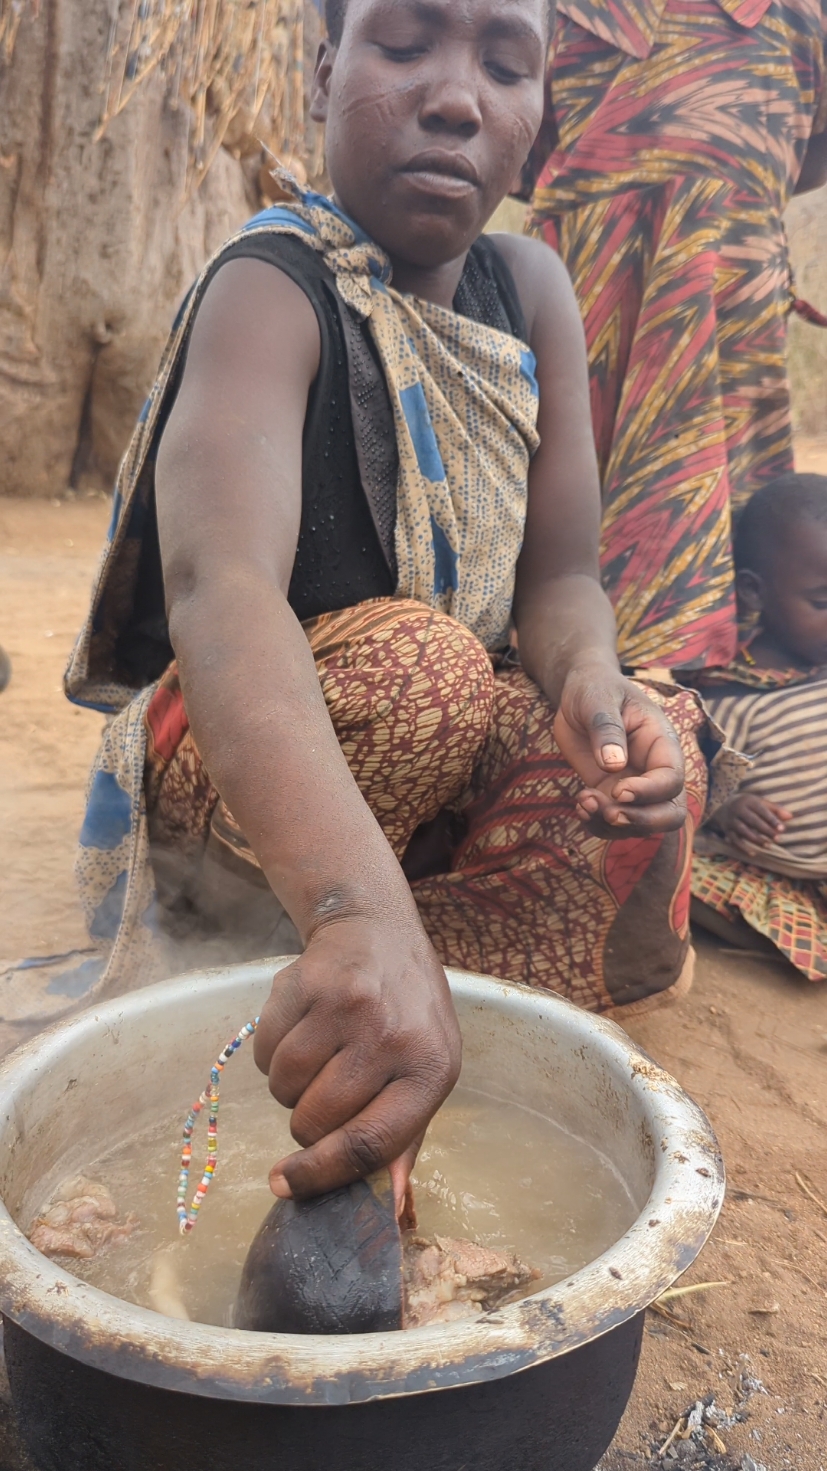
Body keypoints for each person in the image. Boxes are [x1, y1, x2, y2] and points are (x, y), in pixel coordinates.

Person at [66, 0, 708, 1205]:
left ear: (538, 118)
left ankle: (400, 975)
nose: (456, 97)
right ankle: (334, 942)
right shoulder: (271, 288)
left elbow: (561, 577)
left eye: (504, 66)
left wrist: (585, 684)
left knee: (654, 733)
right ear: (324, 71)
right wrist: (354, 903)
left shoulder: (529, 290)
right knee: (427, 674)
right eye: (403, 45)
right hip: (251, 747)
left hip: (429, 751)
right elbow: (220, 589)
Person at [529, 0, 827, 671]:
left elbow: (810, 144)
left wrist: (735, 189)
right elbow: (523, 137)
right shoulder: (553, 14)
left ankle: (711, 694)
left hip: (727, 287)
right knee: (574, 490)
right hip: (592, 284)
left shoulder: (796, 15)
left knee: (734, 511)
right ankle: (593, 681)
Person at [690, 473, 827, 980]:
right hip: (774, 875)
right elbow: (692, 784)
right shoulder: (726, 696)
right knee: (678, 875)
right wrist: (729, 809)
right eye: (822, 602)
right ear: (754, 591)